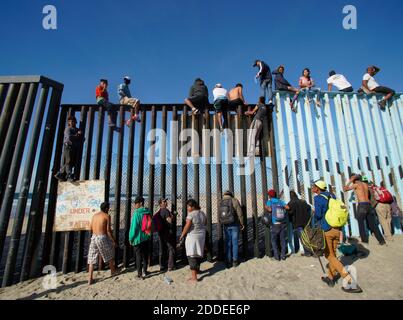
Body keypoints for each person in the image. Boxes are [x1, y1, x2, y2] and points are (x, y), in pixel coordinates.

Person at [312, 180, 361, 293]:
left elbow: (318, 215)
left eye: (314, 186)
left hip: (327, 229)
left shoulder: (318, 198)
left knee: (329, 256)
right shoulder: (331, 195)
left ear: (318, 188)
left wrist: (315, 213)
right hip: (337, 229)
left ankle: (349, 281)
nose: (312, 188)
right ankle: (330, 277)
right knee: (333, 254)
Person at [343, 174, 386, 246]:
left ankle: (364, 241)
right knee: (373, 225)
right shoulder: (365, 184)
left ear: (354, 179)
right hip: (369, 205)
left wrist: (350, 181)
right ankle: (381, 241)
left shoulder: (356, 184)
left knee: (361, 224)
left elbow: (345, 189)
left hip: (362, 205)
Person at [87, 202, 118, 285]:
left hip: (94, 237)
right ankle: (113, 271)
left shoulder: (94, 216)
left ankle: (90, 278)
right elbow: (108, 230)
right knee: (110, 253)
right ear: (106, 208)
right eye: (108, 208)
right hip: (102, 237)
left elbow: (90, 228)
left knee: (91, 258)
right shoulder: (107, 216)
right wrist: (113, 240)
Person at [179, 199, 207, 282]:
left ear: (193, 206)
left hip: (193, 236)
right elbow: (205, 223)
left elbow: (187, 226)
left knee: (192, 255)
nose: (187, 208)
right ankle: (197, 270)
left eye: (188, 206)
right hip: (201, 235)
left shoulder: (191, 215)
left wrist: (182, 235)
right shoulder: (202, 213)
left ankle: (194, 277)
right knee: (198, 253)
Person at [219, 191, 245, 268]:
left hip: (225, 224)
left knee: (228, 243)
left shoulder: (221, 202)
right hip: (234, 224)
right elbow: (240, 213)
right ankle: (235, 261)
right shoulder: (234, 200)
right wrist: (242, 223)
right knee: (235, 243)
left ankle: (228, 261)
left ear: (224, 195)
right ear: (231, 195)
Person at [129, 196, 152, 280]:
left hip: (138, 238)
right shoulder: (147, 211)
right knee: (145, 255)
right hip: (146, 237)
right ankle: (145, 271)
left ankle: (139, 274)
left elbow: (134, 227)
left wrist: (131, 238)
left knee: (138, 256)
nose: (134, 205)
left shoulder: (137, 213)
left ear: (140, 203)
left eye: (136, 203)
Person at [54, 116, 83, 182]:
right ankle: (69, 176)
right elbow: (69, 137)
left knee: (72, 162)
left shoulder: (77, 129)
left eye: (73, 121)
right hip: (68, 146)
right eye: (70, 121)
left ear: (76, 122)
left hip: (74, 147)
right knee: (69, 161)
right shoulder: (68, 129)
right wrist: (77, 135)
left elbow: (80, 139)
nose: (71, 122)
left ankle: (60, 174)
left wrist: (80, 138)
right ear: (68, 123)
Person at [264, 189, 290, 261]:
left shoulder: (270, 202)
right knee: (282, 240)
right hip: (282, 223)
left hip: (275, 223)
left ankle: (276, 256)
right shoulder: (280, 201)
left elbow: (269, 210)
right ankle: (283, 255)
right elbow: (287, 207)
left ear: (269, 196)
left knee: (274, 241)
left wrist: (266, 206)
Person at [287, 191, 312, 256]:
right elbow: (309, 208)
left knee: (303, 238)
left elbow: (290, 213)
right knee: (307, 236)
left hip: (298, 223)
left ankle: (307, 252)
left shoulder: (290, 203)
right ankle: (310, 250)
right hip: (306, 222)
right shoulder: (303, 201)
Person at [155, 198, 176, 271]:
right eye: (164, 201)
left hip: (160, 232)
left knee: (162, 249)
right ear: (161, 204)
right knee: (171, 248)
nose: (166, 202)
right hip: (167, 232)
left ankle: (162, 265)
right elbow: (169, 221)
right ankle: (170, 266)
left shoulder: (159, 211)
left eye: (166, 201)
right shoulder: (166, 210)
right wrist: (173, 216)